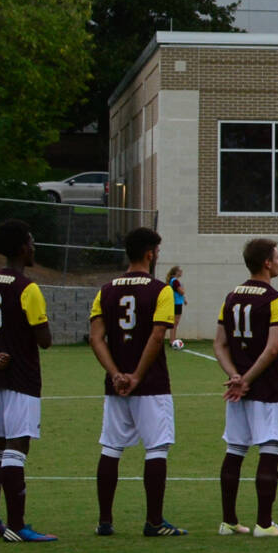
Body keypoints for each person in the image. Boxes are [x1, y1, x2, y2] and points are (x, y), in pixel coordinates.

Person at [89, 226, 184, 536]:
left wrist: (116, 373)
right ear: (150, 254)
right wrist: (137, 376)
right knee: (156, 448)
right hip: (151, 383)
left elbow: (96, 338)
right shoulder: (161, 290)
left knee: (111, 448)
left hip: (116, 387)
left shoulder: (105, 290)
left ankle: (105, 521)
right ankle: (154, 522)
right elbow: (158, 335)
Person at [0, 218, 56, 541]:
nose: (34, 247)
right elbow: (45, 339)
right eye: (32, 241)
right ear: (23, 248)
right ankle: (17, 525)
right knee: (17, 446)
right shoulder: (28, 288)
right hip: (23, 377)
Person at [212, 237, 278, 537]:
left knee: (235, 450)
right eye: (277, 256)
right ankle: (264, 524)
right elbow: (272, 349)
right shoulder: (277, 299)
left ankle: (229, 521)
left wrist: (235, 376)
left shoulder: (231, 297)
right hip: (267, 389)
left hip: (238, 391)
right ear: (266, 262)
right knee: (270, 449)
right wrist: (247, 380)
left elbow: (219, 344)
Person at [164, 265, 188, 345]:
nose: (181, 272)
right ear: (176, 272)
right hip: (176, 303)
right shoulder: (175, 281)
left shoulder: (174, 281)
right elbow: (181, 291)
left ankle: (173, 339)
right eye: (180, 271)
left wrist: (184, 299)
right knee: (175, 322)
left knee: (175, 322)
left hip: (176, 302)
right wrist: (183, 290)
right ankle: (172, 340)